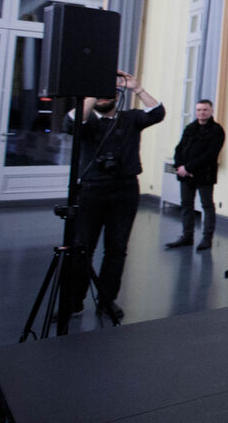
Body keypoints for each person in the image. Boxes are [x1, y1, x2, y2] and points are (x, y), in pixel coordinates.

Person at [66, 70, 166, 322]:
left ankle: (107, 300)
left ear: (117, 95)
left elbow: (157, 113)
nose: (103, 97)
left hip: (125, 190)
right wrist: (92, 91)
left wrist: (137, 88)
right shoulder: (87, 120)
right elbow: (70, 123)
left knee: (117, 249)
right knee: (82, 249)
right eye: (99, 95)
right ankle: (73, 302)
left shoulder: (130, 118)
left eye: (108, 93)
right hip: (91, 190)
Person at [166, 99, 225, 251]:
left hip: (205, 175)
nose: (201, 112)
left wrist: (188, 168)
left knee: (207, 205)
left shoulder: (217, 131)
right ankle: (187, 236)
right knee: (186, 205)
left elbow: (210, 155)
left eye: (205, 110)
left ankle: (207, 239)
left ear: (211, 111)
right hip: (186, 175)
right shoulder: (190, 128)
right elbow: (179, 148)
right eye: (199, 110)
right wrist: (179, 166)